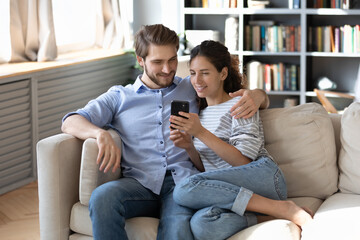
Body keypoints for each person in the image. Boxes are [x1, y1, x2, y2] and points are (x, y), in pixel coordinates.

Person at [61, 24, 269, 240]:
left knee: (176, 230)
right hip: (139, 184)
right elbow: (70, 121)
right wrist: (99, 134)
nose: (168, 69)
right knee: (102, 197)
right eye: (158, 62)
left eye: (172, 60)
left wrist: (258, 95)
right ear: (140, 60)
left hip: (182, 184)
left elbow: (230, 88)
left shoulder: (192, 85)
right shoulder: (119, 97)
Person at [170, 40, 313, 240]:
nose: (197, 80)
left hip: (263, 177)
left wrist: (201, 133)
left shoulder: (241, 104)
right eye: (193, 73)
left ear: (223, 73)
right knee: (202, 224)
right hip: (233, 192)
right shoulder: (199, 115)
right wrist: (189, 147)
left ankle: (284, 208)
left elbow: (243, 162)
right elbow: (210, 173)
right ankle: (271, 214)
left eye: (205, 72)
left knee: (183, 189)